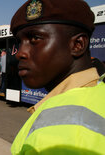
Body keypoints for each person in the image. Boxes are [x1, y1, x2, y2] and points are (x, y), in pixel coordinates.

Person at [10, 0, 104, 154]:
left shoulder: (58, 136)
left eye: (35, 39)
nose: (20, 53)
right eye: (20, 42)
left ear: (77, 45)